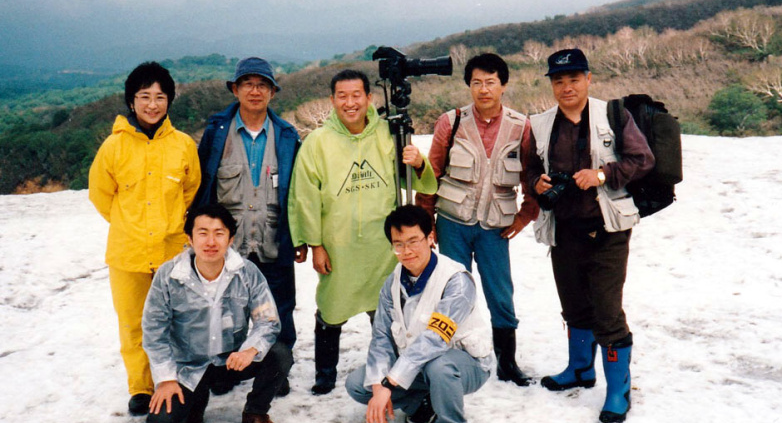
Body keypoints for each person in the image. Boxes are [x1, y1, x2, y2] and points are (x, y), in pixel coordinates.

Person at [288, 69, 438, 395]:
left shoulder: (389, 134)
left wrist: (417, 163)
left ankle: (388, 368)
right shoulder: (317, 143)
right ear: (332, 101)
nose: (350, 102)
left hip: (381, 245)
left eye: (357, 95)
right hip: (338, 245)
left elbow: (421, 183)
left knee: (384, 310)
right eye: (342, 96)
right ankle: (325, 373)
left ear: (369, 98)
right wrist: (314, 244)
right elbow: (304, 198)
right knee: (331, 308)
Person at [525, 48, 655, 423]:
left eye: (574, 79)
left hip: (608, 230)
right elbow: (530, 165)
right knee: (574, 305)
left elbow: (642, 159)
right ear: (551, 84)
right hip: (563, 230)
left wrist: (600, 175)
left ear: (588, 79)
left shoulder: (613, 115)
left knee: (606, 311)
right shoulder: (541, 124)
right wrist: (537, 180)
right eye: (559, 81)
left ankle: (618, 391)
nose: (567, 87)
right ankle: (580, 369)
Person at [416, 53, 539, 387]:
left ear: (503, 85)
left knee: (501, 293)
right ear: (468, 85)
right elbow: (431, 174)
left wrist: (524, 216)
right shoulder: (450, 121)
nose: (483, 89)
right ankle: (445, 357)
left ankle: (507, 363)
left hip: (495, 228)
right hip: (452, 223)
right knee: (449, 293)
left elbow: (531, 177)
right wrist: (426, 223)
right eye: (476, 83)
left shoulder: (521, 125)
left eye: (491, 82)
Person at [89, 61, 201, 416]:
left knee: (177, 319)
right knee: (134, 321)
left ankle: (179, 379)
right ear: (131, 101)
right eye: (144, 97)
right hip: (128, 252)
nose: (152, 105)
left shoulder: (183, 145)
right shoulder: (113, 147)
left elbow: (191, 191)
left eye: (160, 97)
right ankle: (141, 387)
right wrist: (128, 223)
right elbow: (101, 195)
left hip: (171, 251)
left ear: (169, 101)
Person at [194, 57, 305, 396]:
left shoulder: (287, 136)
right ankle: (223, 371)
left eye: (262, 85)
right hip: (229, 247)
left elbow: (298, 193)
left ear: (272, 91)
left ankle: (277, 371)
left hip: (273, 241)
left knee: (280, 311)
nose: (255, 91)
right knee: (223, 312)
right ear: (235, 89)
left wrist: (300, 237)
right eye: (247, 84)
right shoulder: (216, 133)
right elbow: (204, 186)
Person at [346, 205, 492, 423]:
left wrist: (391, 382)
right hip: (418, 366)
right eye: (398, 244)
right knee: (359, 385)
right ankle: (423, 404)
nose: (407, 251)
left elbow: (435, 339)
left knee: (439, 366)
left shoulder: (455, 280)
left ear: (430, 237)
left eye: (414, 241)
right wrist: (379, 383)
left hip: (464, 364)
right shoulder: (391, 284)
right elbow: (381, 337)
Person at [142, 204, 292, 423]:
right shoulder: (168, 276)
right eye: (202, 233)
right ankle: (196, 401)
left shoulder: (247, 272)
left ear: (231, 239)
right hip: (189, 366)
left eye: (219, 233)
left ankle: (256, 411)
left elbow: (268, 321)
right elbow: (154, 333)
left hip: (232, 360)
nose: (211, 242)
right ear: (189, 238)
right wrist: (167, 379)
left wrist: (249, 351)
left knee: (280, 354)